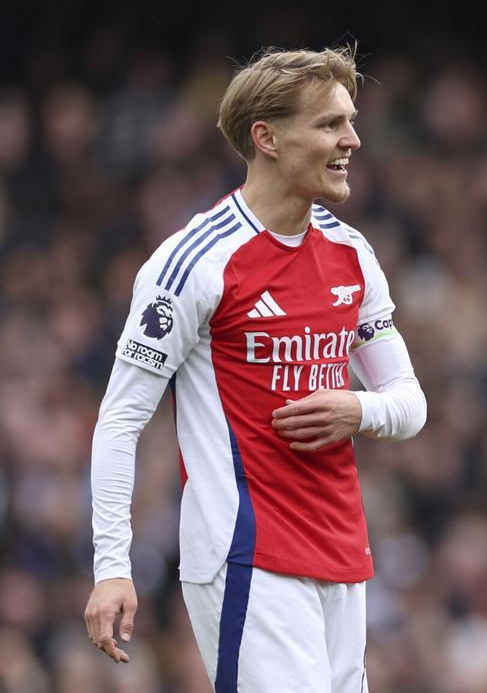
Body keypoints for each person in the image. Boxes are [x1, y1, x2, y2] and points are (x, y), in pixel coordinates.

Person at [83, 47, 428, 692]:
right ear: (266, 138)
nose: (352, 140)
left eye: (350, 121)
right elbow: (120, 419)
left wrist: (361, 410)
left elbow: (409, 402)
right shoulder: (194, 263)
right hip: (246, 553)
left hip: (341, 549)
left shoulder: (352, 252)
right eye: (330, 125)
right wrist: (112, 565)